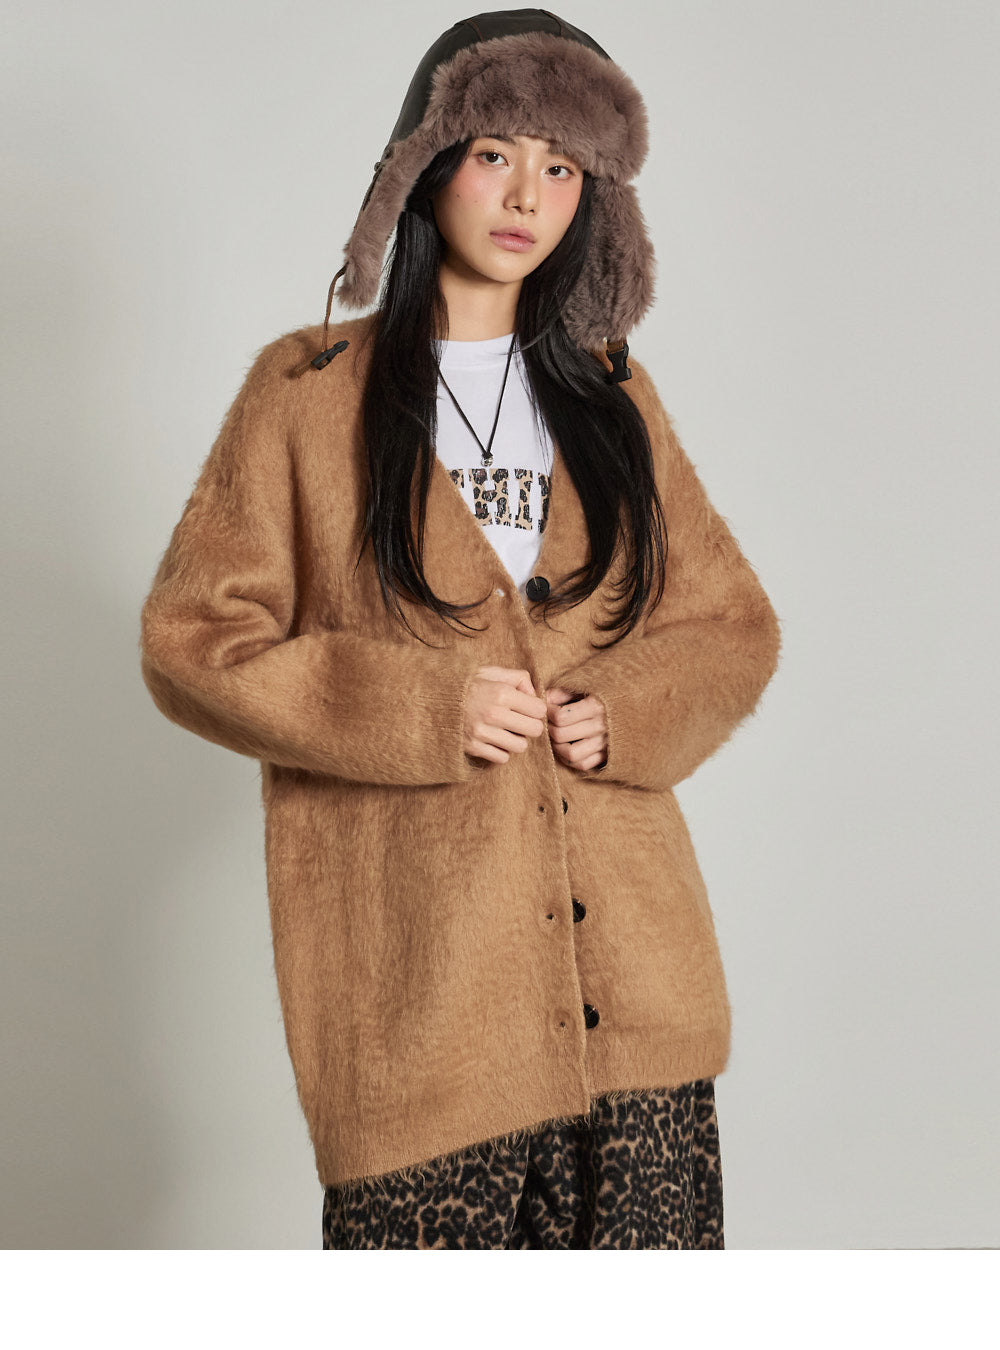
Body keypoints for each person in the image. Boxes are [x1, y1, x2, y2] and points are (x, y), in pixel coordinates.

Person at [139, 10, 782, 1249]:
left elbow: (729, 624)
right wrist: (418, 707)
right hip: (424, 1017)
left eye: (563, 166)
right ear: (425, 165)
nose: (528, 194)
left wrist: (629, 710)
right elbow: (194, 642)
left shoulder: (612, 394)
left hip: (640, 1008)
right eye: (495, 154)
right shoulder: (305, 394)